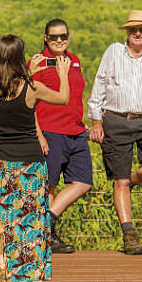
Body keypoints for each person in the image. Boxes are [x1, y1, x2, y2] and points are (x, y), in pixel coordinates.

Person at [0, 34, 69, 282]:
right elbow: (63, 98)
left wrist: (30, 71)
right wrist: (61, 72)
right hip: (29, 164)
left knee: (4, 225)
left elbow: (9, 90)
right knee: (31, 226)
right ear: (20, 58)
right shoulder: (32, 88)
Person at [88, 9, 142, 255]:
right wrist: (95, 121)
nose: (137, 33)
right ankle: (129, 233)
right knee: (119, 180)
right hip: (115, 119)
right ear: (127, 31)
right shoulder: (113, 51)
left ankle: (132, 180)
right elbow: (99, 84)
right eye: (133, 29)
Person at [32, 19, 93, 254]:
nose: (59, 40)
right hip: (51, 131)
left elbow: (75, 96)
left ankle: (46, 225)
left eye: (63, 36)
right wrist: (38, 134)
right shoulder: (38, 63)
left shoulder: (74, 60)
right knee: (49, 186)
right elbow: (29, 100)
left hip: (77, 131)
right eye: (54, 37)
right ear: (46, 38)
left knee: (83, 181)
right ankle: (48, 238)